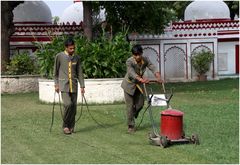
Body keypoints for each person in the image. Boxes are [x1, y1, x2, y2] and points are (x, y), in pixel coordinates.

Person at [121, 44, 163, 133]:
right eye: (135, 55)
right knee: (130, 106)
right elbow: (131, 73)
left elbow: (152, 67)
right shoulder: (129, 62)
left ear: (141, 53)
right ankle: (131, 126)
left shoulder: (145, 59)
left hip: (139, 85)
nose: (138, 57)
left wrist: (158, 76)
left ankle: (133, 114)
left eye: (139, 54)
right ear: (133, 55)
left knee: (140, 104)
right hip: (129, 86)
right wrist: (141, 79)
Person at [53, 37, 85, 135]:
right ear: (66, 47)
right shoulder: (59, 56)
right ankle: (65, 126)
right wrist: (56, 84)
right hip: (63, 86)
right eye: (70, 48)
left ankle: (71, 126)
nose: (72, 50)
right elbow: (55, 72)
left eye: (74, 48)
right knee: (67, 105)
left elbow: (80, 73)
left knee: (74, 108)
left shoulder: (77, 58)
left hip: (74, 86)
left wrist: (82, 86)